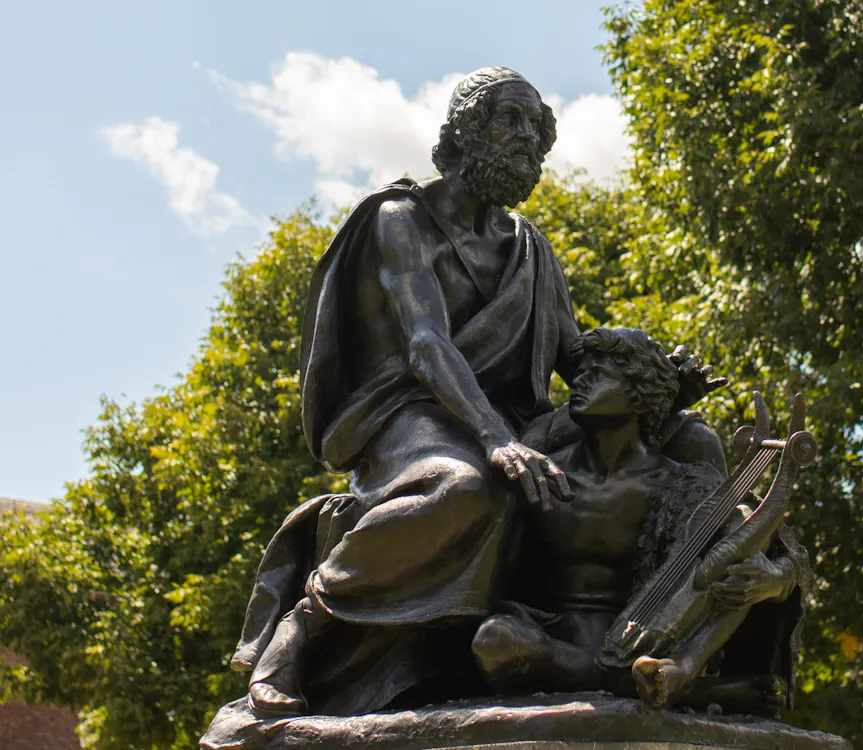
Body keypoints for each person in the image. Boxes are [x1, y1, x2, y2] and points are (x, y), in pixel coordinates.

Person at [241, 66, 728, 719]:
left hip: (509, 423)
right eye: (512, 121)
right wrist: (499, 441)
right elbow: (426, 344)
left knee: (693, 441)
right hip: (408, 411)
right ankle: (304, 626)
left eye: (538, 129)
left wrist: (662, 386)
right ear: (466, 130)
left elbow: (579, 359)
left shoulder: (530, 249)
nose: (530, 140)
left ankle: (685, 656)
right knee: (472, 486)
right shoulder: (400, 220)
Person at [472, 328, 811, 715]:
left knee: (735, 542)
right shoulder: (543, 471)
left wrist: (774, 580)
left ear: (639, 393)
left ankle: (672, 673)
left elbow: (764, 540)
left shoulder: (678, 482)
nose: (578, 381)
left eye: (598, 374)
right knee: (494, 641)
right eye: (581, 371)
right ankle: (672, 688)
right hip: (549, 640)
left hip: (649, 640)